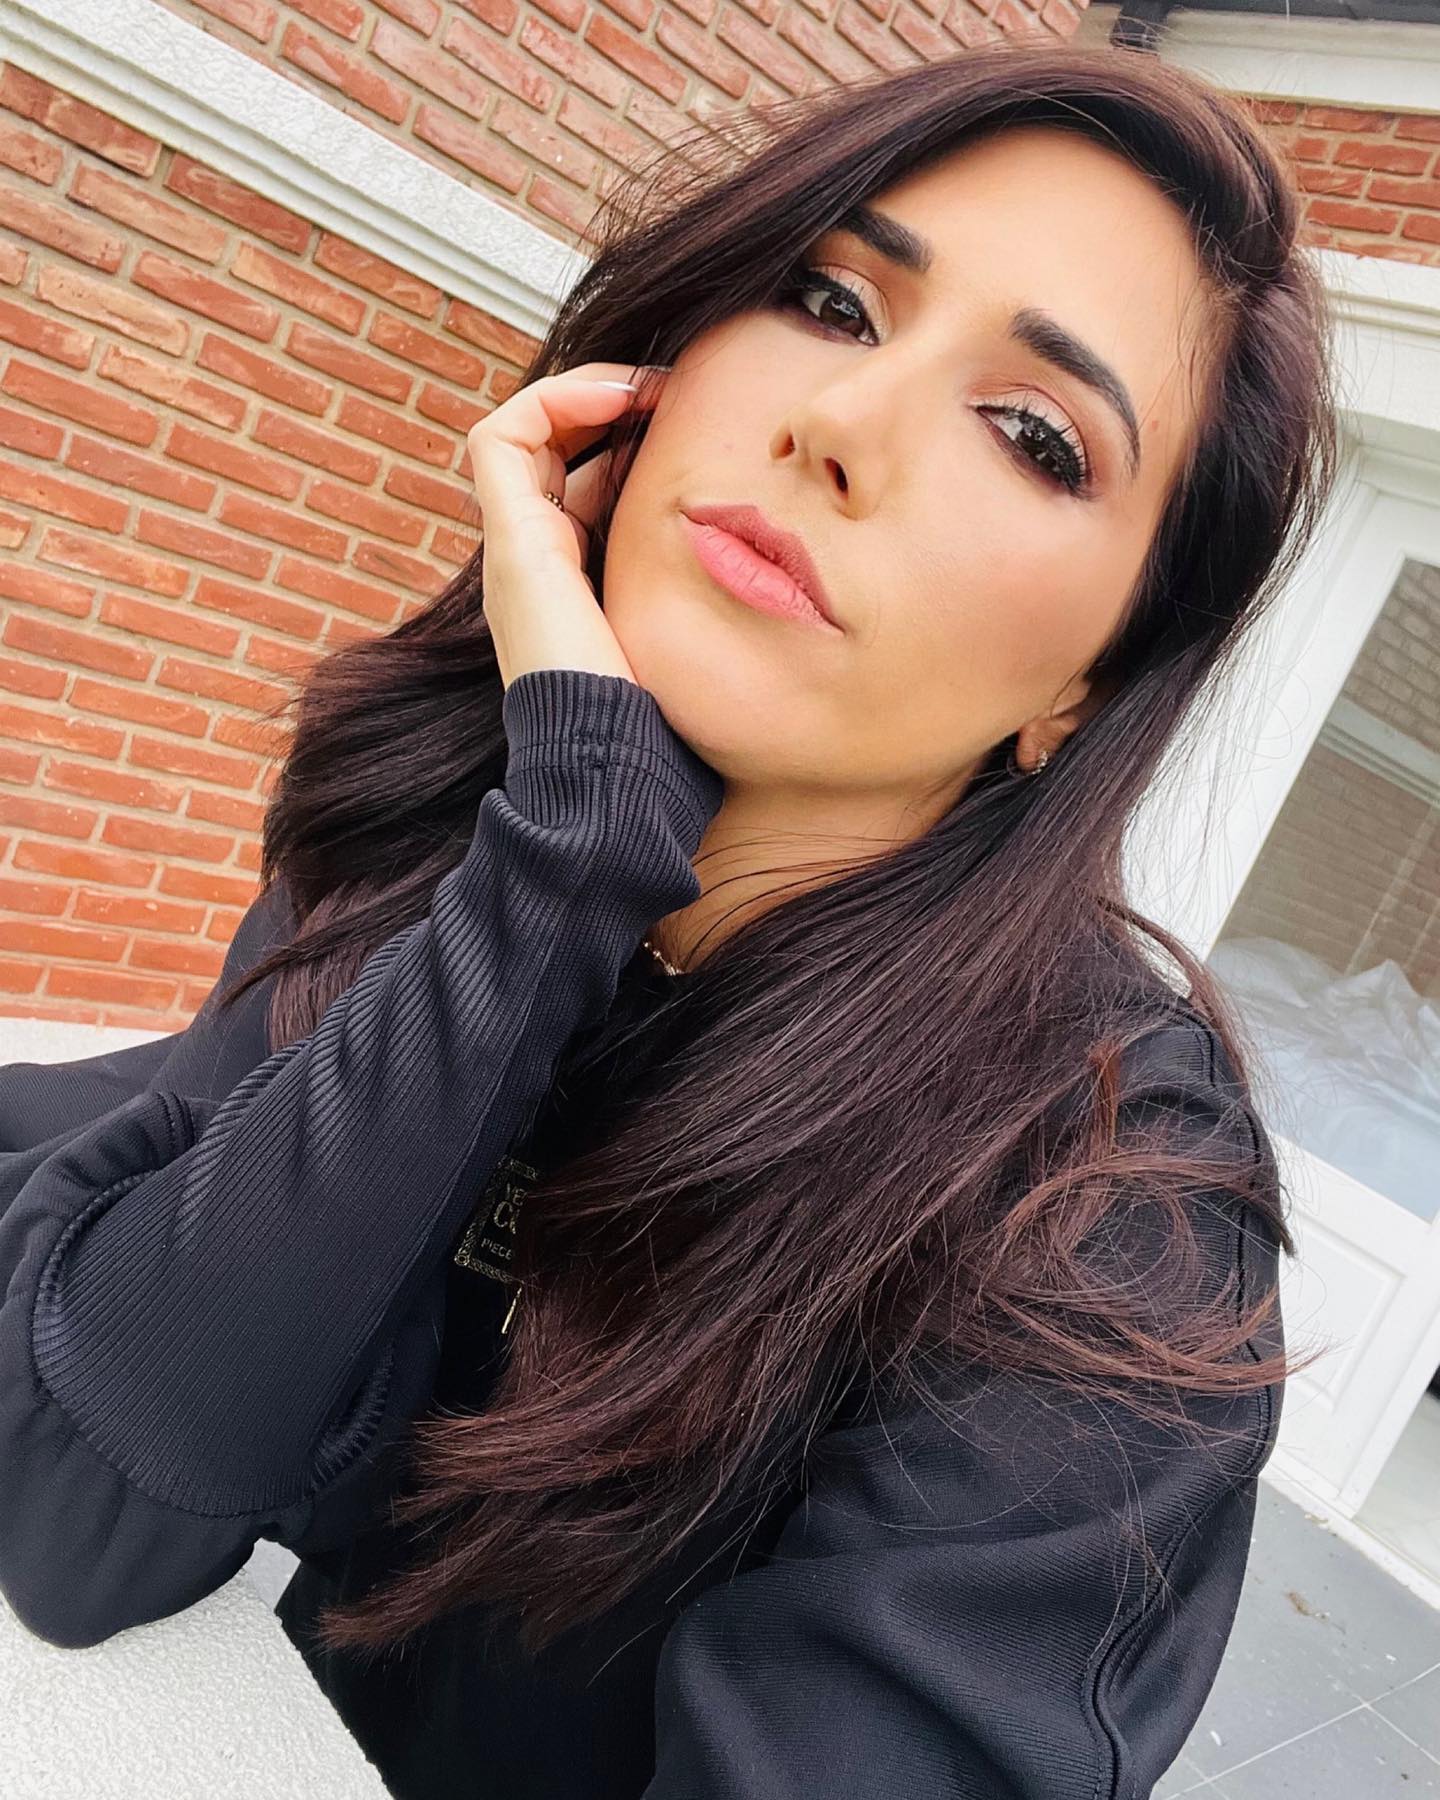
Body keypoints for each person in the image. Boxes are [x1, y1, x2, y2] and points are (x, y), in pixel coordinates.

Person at [0, 40, 1337, 1800]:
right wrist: (567, 851)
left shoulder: (1104, 1213)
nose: (840, 427)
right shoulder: (445, 824)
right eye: (832, 302)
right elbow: (81, 1525)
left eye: (1033, 436)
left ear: (1084, 689)